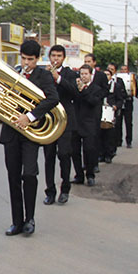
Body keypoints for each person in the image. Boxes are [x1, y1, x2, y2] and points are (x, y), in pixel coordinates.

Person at [0, 40, 59, 237]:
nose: (26, 63)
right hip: (11, 132)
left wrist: (30, 116)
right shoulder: (14, 73)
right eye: (24, 58)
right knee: (13, 177)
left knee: (29, 174)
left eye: (31, 60)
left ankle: (30, 219)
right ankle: (16, 221)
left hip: (31, 133)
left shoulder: (44, 76)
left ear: (38, 58)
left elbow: (53, 99)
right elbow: (4, 96)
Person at [42, 44, 78, 205]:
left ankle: (65, 188)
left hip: (65, 121)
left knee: (64, 154)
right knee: (48, 157)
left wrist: (59, 78)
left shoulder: (70, 73)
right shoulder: (43, 74)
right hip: (48, 121)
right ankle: (50, 191)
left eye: (59, 56)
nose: (56, 58)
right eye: (53, 56)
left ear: (64, 58)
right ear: (49, 57)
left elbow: (75, 92)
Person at [71, 64, 104, 187]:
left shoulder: (96, 89)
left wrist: (83, 89)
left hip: (89, 124)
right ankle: (79, 175)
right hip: (76, 123)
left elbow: (93, 101)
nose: (83, 76)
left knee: (89, 150)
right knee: (74, 151)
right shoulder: (75, 87)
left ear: (90, 75)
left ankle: (90, 175)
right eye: (81, 74)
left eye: (86, 74)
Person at [100, 63, 125, 164]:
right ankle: (101, 154)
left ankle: (109, 154)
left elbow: (120, 99)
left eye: (108, 75)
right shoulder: (100, 86)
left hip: (111, 112)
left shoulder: (116, 86)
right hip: (101, 112)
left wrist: (116, 106)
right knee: (100, 134)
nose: (106, 77)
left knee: (110, 135)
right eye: (104, 75)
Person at [118, 64, 138, 148]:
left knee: (128, 122)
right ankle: (119, 140)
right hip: (120, 102)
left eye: (125, 69)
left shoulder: (132, 78)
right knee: (118, 122)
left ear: (128, 71)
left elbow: (135, 89)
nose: (124, 71)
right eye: (122, 69)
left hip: (128, 102)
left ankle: (129, 141)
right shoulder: (117, 78)